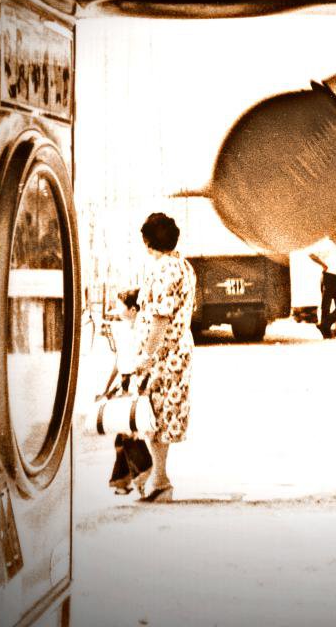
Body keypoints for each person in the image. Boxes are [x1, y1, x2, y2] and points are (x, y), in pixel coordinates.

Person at [132, 212, 197, 503]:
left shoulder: (164, 269)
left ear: (148, 241)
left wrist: (146, 355)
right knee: (160, 415)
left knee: (153, 416)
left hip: (163, 354)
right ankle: (156, 478)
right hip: (177, 350)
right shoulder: (184, 266)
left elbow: (160, 316)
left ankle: (159, 480)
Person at [106, 288, 153, 496]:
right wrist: (106, 388)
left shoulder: (142, 332)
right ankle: (125, 480)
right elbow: (118, 363)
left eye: (120, 306)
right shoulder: (124, 331)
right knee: (123, 431)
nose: (117, 310)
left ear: (133, 310)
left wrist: (140, 386)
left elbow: (139, 362)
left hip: (135, 383)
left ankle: (143, 471)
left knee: (127, 432)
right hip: (125, 383)